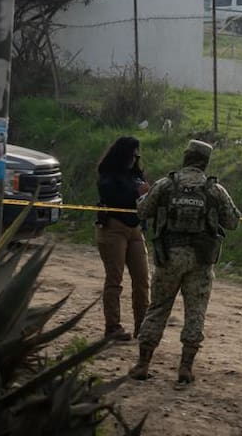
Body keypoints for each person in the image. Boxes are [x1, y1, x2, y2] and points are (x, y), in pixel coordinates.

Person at [130, 139, 241, 388]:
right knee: (195, 312)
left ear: (186, 157)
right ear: (205, 162)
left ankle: (143, 364)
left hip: (168, 256)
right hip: (201, 261)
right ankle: (185, 368)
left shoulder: (166, 185)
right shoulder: (215, 190)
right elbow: (233, 221)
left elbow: (142, 210)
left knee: (158, 308)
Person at [95, 136, 152, 341]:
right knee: (114, 280)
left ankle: (142, 326)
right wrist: (136, 193)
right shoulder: (108, 174)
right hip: (113, 228)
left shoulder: (135, 175)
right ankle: (113, 326)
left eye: (137, 155)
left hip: (135, 229)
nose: (135, 158)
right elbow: (111, 196)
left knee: (142, 280)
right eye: (132, 154)